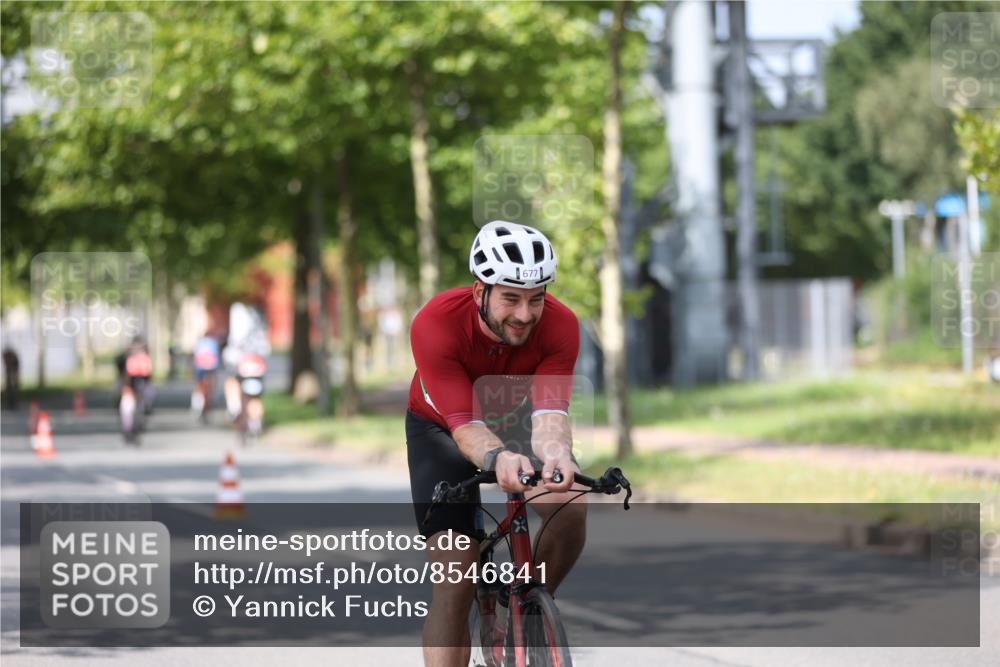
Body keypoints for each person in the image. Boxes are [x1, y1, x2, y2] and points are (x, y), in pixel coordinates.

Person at [406, 220, 584, 667]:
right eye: (511, 298)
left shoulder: (561, 326)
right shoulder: (436, 323)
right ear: (479, 291)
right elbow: (465, 427)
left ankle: (528, 609)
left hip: (516, 415)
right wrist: (498, 457)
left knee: (570, 505)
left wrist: (558, 456)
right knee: (456, 575)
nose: (525, 315)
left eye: (536, 298)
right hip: (443, 428)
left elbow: (550, 416)